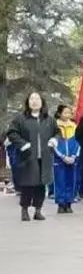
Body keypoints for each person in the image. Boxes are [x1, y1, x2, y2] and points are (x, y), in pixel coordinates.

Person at [6, 92, 58, 221]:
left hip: (44, 157)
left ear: (42, 102)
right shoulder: (20, 118)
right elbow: (12, 133)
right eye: (32, 99)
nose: (34, 101)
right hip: (28, 157)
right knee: (27, 185)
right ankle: (24, 210)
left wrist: (54, 140)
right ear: (28, 102)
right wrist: (23, 144)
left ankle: (38, 210)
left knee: (41, 185)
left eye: (37, 99)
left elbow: (57, 132)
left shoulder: (49, 119)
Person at [53, 104, 80, 214]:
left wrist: (74, 156)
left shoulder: (74, 126)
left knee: (71, 181)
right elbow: (53, 144)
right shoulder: (55, 126)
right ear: (59, 113)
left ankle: (69, 203)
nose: (67, 115)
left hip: (72, 159)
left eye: (69, 113)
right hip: (59, 159)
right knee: (60, 181)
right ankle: (60, 204)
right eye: (65, 112)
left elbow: (78, 143)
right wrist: (62, 156)